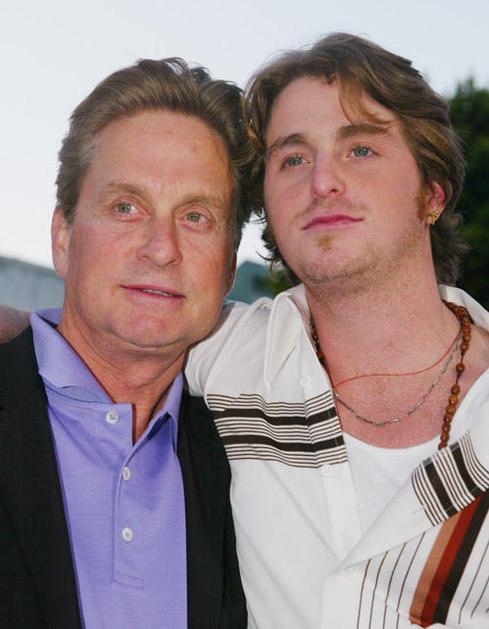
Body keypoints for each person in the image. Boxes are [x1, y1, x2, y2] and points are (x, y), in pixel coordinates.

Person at [185, 34, 489, 628]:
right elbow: (84, 336)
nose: (322, 180)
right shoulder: (224, 354)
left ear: (431, 192)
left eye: (360, 149)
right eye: (293, 159)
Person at [0, 58, 250, 628]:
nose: (161, 248)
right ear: (63, 237)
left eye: (196, 216)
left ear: (229, 267)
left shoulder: (254, 461)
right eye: (126, 207)